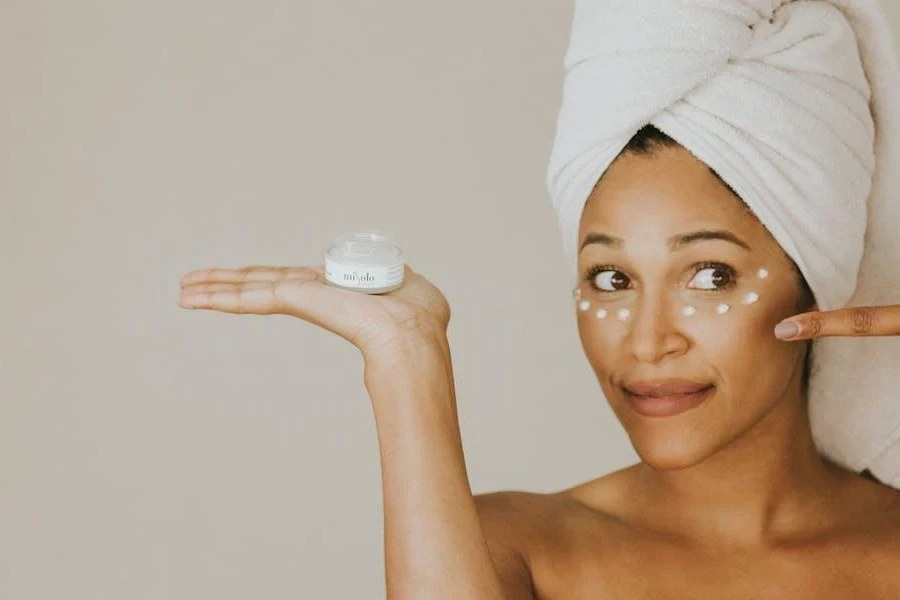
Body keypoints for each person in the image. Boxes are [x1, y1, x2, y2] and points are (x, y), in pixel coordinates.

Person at [178, 4, 900, 599]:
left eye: (709, 276)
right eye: (610, 279)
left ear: (816, 277)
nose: (648, 342)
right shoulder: (514, 551)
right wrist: (406, 355)